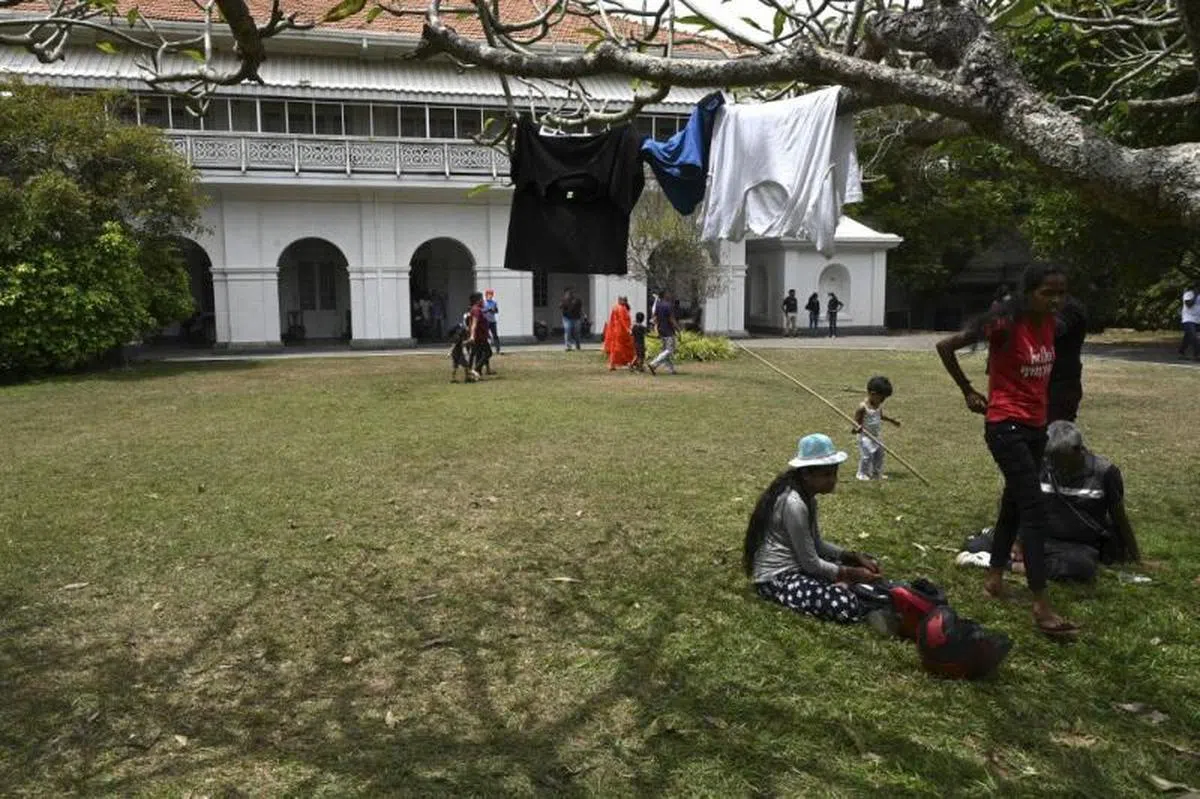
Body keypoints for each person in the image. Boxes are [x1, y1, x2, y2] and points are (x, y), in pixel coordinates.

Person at [935, 262, 1079, 638]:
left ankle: (995, 578)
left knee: (1014, 505)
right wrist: (968, 390)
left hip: (1035, 427)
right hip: (1005, 425)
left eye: (1061, 292)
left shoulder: (1052, 325)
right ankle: (1041, 605)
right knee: (1034, 510)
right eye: (1048, 292)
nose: (1056, 300)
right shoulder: (1004, 324)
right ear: (1028, 292)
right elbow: (946, 346)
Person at [743, 433, 883, 624]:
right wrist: (849, 573)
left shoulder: (808, 498)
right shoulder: (794, 504)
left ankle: (845, 586)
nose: (833, 480)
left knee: (866, 562)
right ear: (806, 474)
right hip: (777, 578)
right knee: (842, 604)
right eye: (826, 474)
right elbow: (810, 563)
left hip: (800, 565)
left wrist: (852, 556)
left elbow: (816, 543)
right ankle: (850, 592)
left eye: (834, 473)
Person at [852, 375, 901, 481]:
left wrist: (892, 420)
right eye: (882, 397)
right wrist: (857, 429)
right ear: (873, 394)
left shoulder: (878, 405)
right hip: (865, 436)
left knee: (879, 454)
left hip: (876, 435)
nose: (883, 400)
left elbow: (880, 416)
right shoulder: (862, 407)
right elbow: (855, 423)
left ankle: (876, 473)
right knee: (867, 455)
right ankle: (862, 473)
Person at [1048, 294, 1087, 423]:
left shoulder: (1070, 307)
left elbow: (1055, 329)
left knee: (1058, 433)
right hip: (1045, 382)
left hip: (1062, 384)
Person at [648, 290, 679, 376]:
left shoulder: (658, 305)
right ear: (665, 295)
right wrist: (677, 328)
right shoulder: (668, 305)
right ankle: (653, 363)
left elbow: (655, 318)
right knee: (669, 350)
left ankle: (671, 370)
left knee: (665, 351)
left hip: (661, 330)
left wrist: (655, 329)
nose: (669, 295)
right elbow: (671, 319)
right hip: (668, 331)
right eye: (668, 293)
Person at [602, 295, 636, 370]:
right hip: (621, 331)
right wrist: (628, 329)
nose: (626, 302)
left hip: (616, 330)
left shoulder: (616, 307)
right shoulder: (621, 308)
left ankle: (614, 363)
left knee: (616, 348)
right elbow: (622, 320)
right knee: (623, 347)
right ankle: (628, 361)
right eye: (625, 300)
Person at [466, 291, 493, 379]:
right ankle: (475, 370)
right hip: (479, 337)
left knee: (479, 354)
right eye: (482, 299)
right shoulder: (476, 309)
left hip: (481, 336)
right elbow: (474, 323)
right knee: (488, 352)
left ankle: (478, 373)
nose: (483, 301)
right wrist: (472, 336)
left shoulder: (476, 309)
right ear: (478, 300)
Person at [1180, 287, 1199, 360]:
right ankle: (1196, 355)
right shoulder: (1188, 294)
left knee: (1187, 337)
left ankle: (1181, 352)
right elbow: (1188, 304)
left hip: (1197, 320)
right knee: (1194, 336)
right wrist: (1195, 295)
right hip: (1188, 319)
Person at [483, 289, 500, 354]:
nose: (490, 296)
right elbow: (481, 311)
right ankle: (486, 349)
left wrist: (493, 310)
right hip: (486, 321)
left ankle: (497, 349)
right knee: (486, 335)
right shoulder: (483, 302)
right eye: (489, 294)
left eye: (491, 294)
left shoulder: (494, 302)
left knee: (495, 335)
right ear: (486, 295)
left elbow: (497, 311)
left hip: (493, 321)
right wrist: (487, 310)